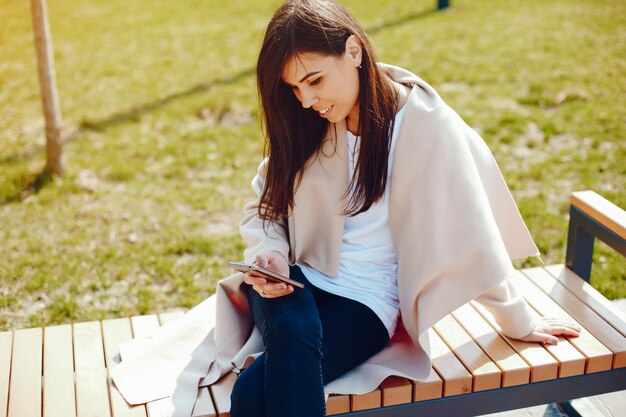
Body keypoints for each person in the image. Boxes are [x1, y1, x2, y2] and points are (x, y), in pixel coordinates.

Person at [228, 1, 580, 416]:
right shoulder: (311, 122)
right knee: (293, 330)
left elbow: (470, 235)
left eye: (315, 80)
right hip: (293, 280)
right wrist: (267, 255)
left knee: (253, 393)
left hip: (366, 304)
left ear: (354, 51)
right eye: (295, 89)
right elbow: (264, 207)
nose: (306, 100)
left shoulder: (425, 128)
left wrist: (518, 321)